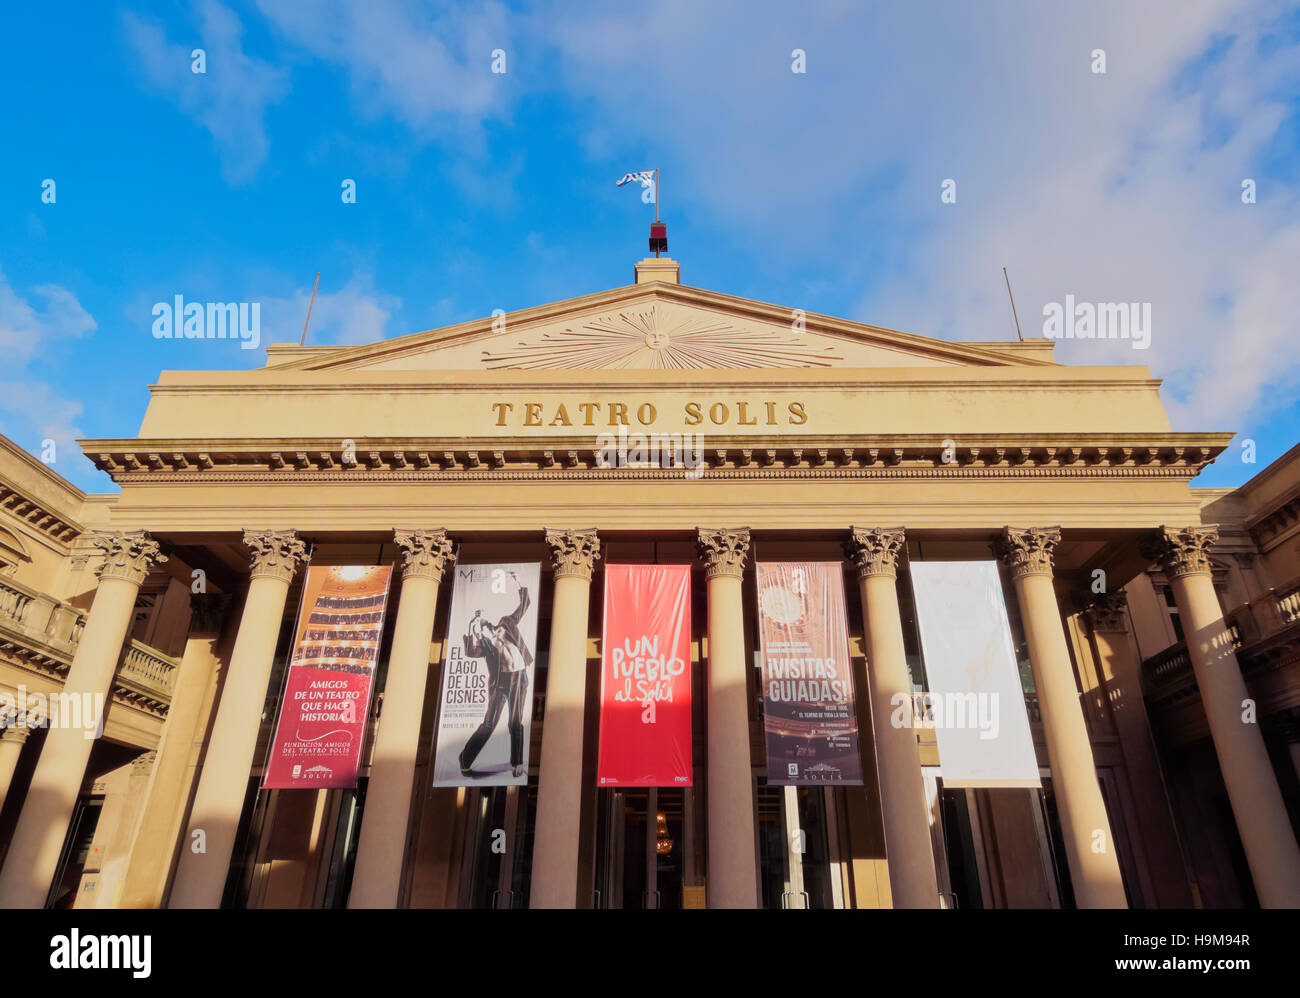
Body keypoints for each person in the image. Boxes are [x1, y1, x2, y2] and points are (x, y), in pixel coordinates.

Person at [458, 574, 532, 778]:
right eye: (479, 628)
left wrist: (519, 581)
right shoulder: (487, 645)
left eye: (483, 623)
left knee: (515, 722)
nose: (483, 628)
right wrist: (472, 626)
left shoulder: (508, 624)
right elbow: (470, 652)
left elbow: (525, 604)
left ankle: (516, 762)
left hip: (519, 679)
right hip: (501, 684)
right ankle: (465, 759)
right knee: (489, 723)